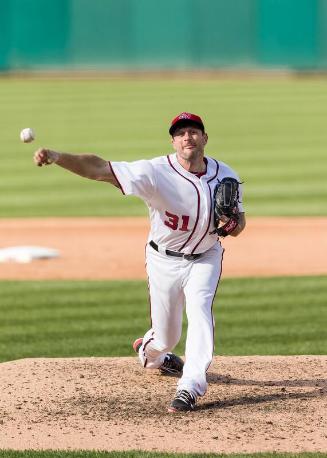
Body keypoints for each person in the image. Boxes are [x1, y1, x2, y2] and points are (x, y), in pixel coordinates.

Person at [34, 112, 246, 413]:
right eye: (181, 133)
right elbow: (98, 168)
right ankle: (151, 352)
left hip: (206, 258)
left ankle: (190, 386)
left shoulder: (226, 174)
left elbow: (240, 225)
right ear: (173, 142)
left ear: (205, 138)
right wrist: (57, 156)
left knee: (201, 313)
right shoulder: (155, 172)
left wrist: (231, 226)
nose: (188, 137)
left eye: (194, 131)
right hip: (163, 260)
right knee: (167, 336)